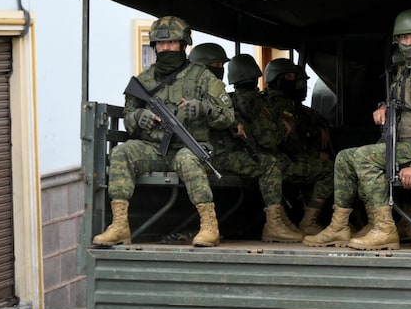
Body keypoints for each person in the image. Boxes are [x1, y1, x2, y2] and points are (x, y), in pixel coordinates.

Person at [304, 8, 411, 250]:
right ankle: (339, 227)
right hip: (405, 146)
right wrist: (384, 106)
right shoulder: (408, 71)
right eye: (404, 38)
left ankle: (384, 228)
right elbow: (406, 102)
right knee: (344, 158)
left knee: (363, 157)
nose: (408, 43)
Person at [92, 16, 235, 247]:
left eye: (171, 43)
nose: (165, 48)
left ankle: (209, 226)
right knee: (121, 153)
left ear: (183, 44)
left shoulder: (203, 77)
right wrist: (140, 117)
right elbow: (129, 117)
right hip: (153, 150)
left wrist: (202, 108)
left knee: (189, 160)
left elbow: (228, 116)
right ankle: (119, 226)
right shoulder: (144, 79)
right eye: (160, 44)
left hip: (188, 148)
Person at [211, 54, 304, 242]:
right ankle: (277, 224)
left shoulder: (227, 99)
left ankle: (281, 220)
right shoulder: (254, 101)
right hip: (221, 158)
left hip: (219, 156)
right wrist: (284, 128)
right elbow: (269, 141)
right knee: (271, 164)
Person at [263, 58, 334, 235]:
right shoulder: (282, 104)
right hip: (280, 163)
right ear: (276, 78)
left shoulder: (265, 100)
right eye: (288, 77)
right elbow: (291, 142)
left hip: (271, 161)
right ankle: (309, 221)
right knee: (330, 169)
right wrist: (315, 153)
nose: (294, 82)